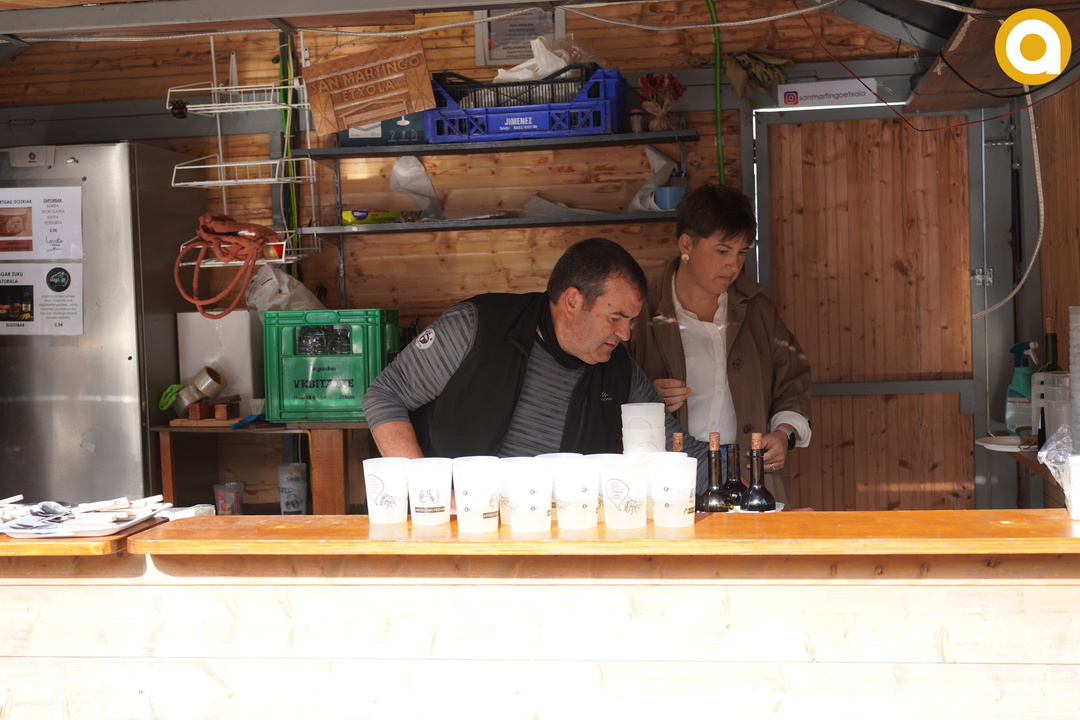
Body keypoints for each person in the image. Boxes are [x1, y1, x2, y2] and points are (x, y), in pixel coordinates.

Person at [362, 237, 708, 482]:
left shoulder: (620, 372)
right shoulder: (479, 326)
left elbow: (678, 452)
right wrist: (427, 489)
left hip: (555, 536)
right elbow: (385, 395)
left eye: (630, 321)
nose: (625, 334)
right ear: (573, 302)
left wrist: (737, 465)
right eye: (615, 317)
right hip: (458, 527)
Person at [627, 184, 811, 506]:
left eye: (742, 252)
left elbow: (792, 380)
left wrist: (784, 433)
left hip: (750, 475)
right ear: (686, 244)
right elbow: (606, 390)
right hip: (668, 476)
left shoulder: (757, 310)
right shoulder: (639, 311)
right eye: (722, 251)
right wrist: (648, 401)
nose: (733, 265)